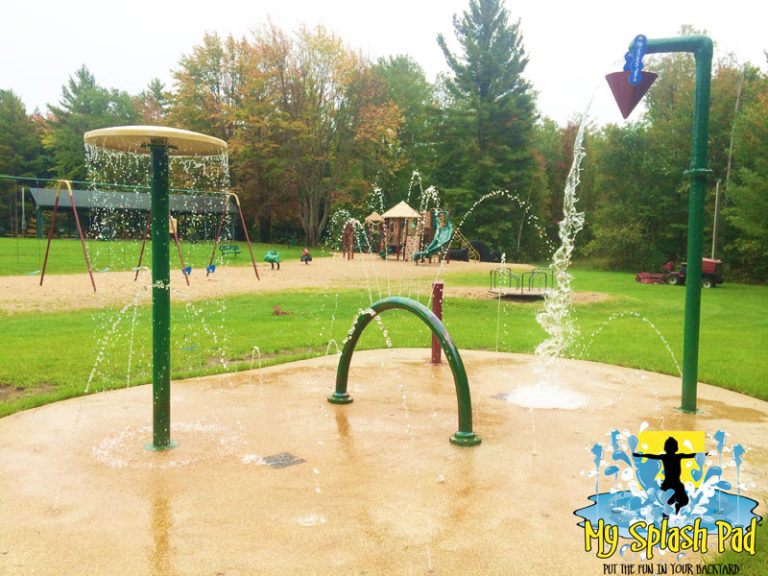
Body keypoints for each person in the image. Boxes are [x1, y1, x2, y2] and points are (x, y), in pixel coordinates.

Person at [633, 437, 696, 513]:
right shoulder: (670, 456)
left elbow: (652, 456)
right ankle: (671, 506)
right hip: (670, 483)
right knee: (673, 498)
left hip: (672, 483)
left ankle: (675, 506)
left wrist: (641, 456)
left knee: (682, 500)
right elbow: (690, 455)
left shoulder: (670, 456)